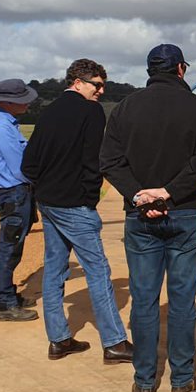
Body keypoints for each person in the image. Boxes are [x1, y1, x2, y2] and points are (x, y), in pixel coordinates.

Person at [100, 44, 196, 392]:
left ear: (150, 70)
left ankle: (144, 381)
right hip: (186, 212)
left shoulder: (125, 107)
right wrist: (167, 193)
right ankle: (182, 380)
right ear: (181, 69)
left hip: (140, 217)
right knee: (182, 301)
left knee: (144, 300)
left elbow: (110, 160)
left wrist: (140, 196)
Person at [21, 59, 131, 363]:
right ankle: (115, 343)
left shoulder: (49, 111)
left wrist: (45, 187)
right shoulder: (91, 111)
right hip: (75, 205)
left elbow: (29, 163)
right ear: (78, 81)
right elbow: (93, 160)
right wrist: (88, 198)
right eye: (97, 85)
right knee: (98, 271)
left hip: (49, 202)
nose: (101, 91)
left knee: (54, 270)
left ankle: (58, 340)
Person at [0, 79, 40, 322]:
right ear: (7, 102)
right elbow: (19, 168)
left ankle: (8, 295)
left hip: (9, 192)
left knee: (12, 246)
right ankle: (4, 302)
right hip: (14, 192)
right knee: (10, 247)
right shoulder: (3, 128)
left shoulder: (0, 122)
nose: (27, 104)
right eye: (22, 100)